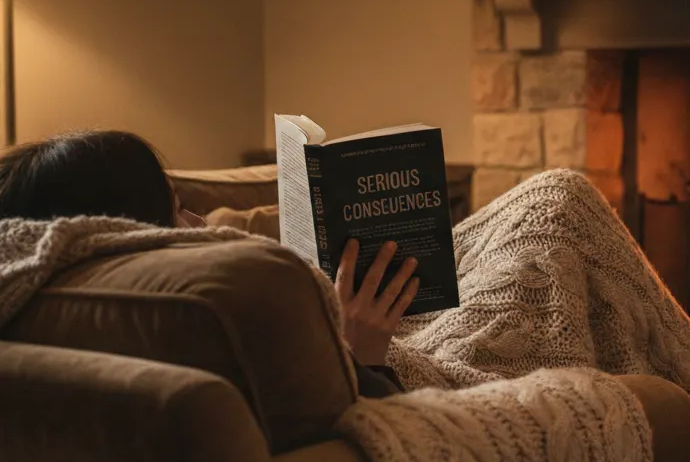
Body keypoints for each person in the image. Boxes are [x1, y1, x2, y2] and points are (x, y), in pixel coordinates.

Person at [0, 130, 415, 397]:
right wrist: (358, 357)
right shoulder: (221, 317)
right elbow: (404, 433)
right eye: (179, 209)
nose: (200, 222)